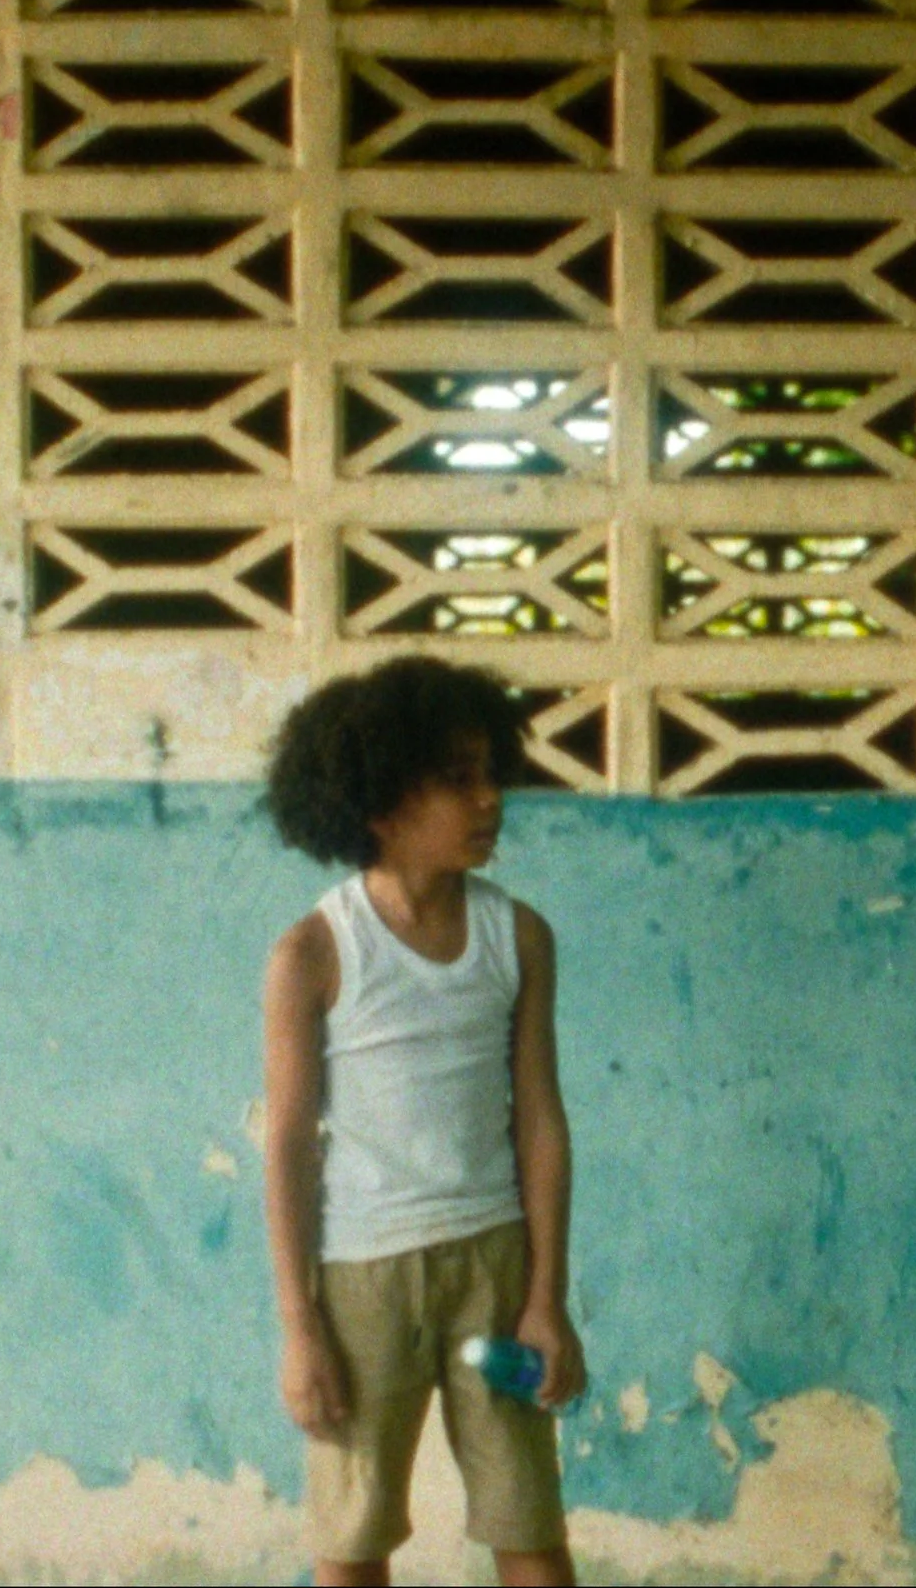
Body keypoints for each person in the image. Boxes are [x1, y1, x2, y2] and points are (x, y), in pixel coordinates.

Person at [261, 656, 581, 1587]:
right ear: (379, 803)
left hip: (495, 1278)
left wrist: (546, 1298)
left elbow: (542, 1122)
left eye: (492, 772)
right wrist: (300, 1326)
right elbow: (285, 1145)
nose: (489, 799)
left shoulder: (518, 936)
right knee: (354, 1537)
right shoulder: (313, 952)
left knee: (529, 1519)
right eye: (457, 778)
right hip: (365, 1292)